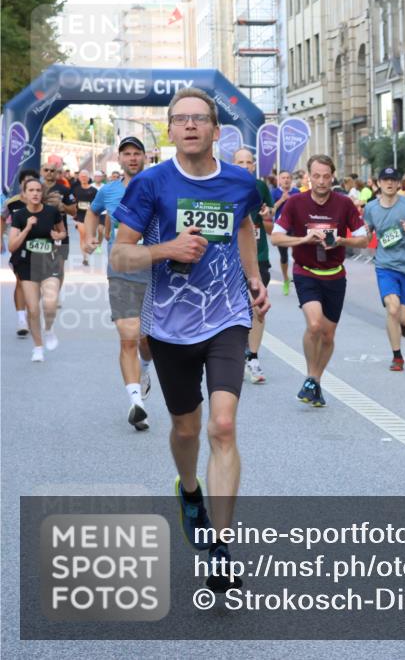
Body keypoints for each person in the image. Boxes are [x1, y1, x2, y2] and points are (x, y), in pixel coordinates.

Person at [111, 87, 270, 591]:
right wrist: (167, 249)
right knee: (186, 429)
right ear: (171, 129)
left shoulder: (241, 182)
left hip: (227, 317)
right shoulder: (151, 184)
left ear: (216, 130)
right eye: (180, 119)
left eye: (199, 118)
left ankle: (220, 548)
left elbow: (244, 227)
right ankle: (188, 489)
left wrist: (253, 277)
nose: (190, 126)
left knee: (222, 426)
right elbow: (120, 255)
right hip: (170, 326)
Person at [271, 155, 370, 407]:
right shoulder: (295, 203)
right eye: (316, 176)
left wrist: (341, 240)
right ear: (308, 177)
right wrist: (303, 239)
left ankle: (314, 379)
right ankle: (310, 376)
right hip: (306, 272)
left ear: (332, 176)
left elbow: (364, 240)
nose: (321, 181)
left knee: (327, 334)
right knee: (314, 325)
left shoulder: (344, 203)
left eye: (326, 176)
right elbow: (276, 238)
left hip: (335, 274)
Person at [83, 137, 155, 430]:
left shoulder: (159, 186)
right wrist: (90, 236)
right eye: (127, 154)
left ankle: (145, 368)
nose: (132, 158)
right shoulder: (109, 191)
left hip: (155, 272)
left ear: (145, 157)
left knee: (147, 341)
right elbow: (92, 211)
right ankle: (136, 403)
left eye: (137, 153)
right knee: (128, 336)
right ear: (120, 159)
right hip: (121, 271)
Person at [363, 167, 405, 371]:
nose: (389, 183)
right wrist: (365, 233)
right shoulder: (371, 208)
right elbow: (367, 235)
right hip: (385, 266)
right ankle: (397, 356)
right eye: (385, 180)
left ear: (399, 183)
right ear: (379, 183)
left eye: (393, 180)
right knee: (392, 308)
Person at [8, 177, 67, 361]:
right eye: (31, 190)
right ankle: (38, 347)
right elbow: (12, 246)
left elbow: (63, 232)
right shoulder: (19, 215)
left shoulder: (51, 212)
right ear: (24, 194)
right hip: (26, 264)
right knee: (33, 309)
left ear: (42, 193)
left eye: (38, 190)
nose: (35, 193)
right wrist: (26, 229)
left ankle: (48, 329)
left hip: (49, 261)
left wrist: (58, 235)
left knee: (50, 303)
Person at [232, 148, 275, 384]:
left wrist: (267, 214)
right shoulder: (224, 185)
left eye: (248, 162)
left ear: (254, 165)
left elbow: (270, 219)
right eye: (240, 162)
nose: (245, 166)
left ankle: (253, 357)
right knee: (236, 309)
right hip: (230, 258)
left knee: (258, 306)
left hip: (258, 256)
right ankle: (235, 353)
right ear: (233, 164)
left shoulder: (260, 187)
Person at [6, 168, 40, 338]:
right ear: (21, 185)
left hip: (40, 247)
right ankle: (21, 319)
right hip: (19, 247)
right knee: (20, 281)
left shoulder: (43, 202)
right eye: (26, 182)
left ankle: (30, 312)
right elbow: (2, 218)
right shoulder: (12, 203)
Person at [40, 162, 76, 282]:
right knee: (39, 266)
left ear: (57, 173)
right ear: (41, 172)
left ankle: (56, 291)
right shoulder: (35, 188)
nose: (49, 172)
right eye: (46, 170)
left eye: (52, 170)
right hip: (39, 232)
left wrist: (62, 206)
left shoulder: (65, 190)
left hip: (60, 232)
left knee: (59, 267)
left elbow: (73, 211)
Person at [270, 170, 300, 296]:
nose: (286, 180)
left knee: (297, 254)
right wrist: (282, 199)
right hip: (281, 228)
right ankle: (286, 279)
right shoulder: (274, 192)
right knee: (284, 256)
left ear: (291, 179)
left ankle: (298, 278)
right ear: (279, 180)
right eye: (283, 178)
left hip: (295, 226)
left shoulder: (297, 192)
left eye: (288, 177)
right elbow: (271, 211)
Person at [71, 169, 99, 266]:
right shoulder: (75, 189)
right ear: (79, 178)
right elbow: (72, 202)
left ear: (88, 178)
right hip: (80, 215)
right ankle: (85, 257)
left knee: (89, 236)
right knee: (82, 235)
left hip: (91, 216)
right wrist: (73, 211)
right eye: (81, 177)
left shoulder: (94, 190)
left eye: (85, 177)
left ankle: (89, 249)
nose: (83, 178)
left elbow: (98, 203)